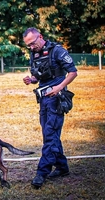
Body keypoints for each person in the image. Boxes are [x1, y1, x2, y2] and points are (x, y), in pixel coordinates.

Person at [22, 27, 78, 189]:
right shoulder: (34, 53)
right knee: (49, 134)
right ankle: (62, 167)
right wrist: (31, 80)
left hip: (57, 98)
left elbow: (73, 72)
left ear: (40, 36)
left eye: (33, 43)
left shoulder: (58, 51)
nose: (31, 47)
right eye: (28, 46)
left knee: (50, 133)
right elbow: (39, 75)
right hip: (43, 99)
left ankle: (42, 171)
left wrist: (59, 87)